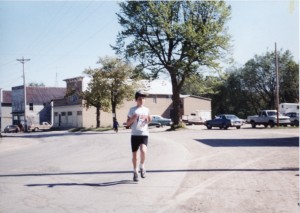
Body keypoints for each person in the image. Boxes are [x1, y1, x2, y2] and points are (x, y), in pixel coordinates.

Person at [126, 90, 151, 182]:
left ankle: (142, 166)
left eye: (143, 99)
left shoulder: (146, 110)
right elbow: (128, 124)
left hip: (144, 134)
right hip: (135, 134)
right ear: (136, 100)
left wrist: (149, 119)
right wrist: (133, 118)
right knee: (135, 156)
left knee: (144, 151)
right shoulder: (132, 110)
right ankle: (135, 171)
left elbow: (148, 120)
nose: (142, 100)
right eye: (140, 99)